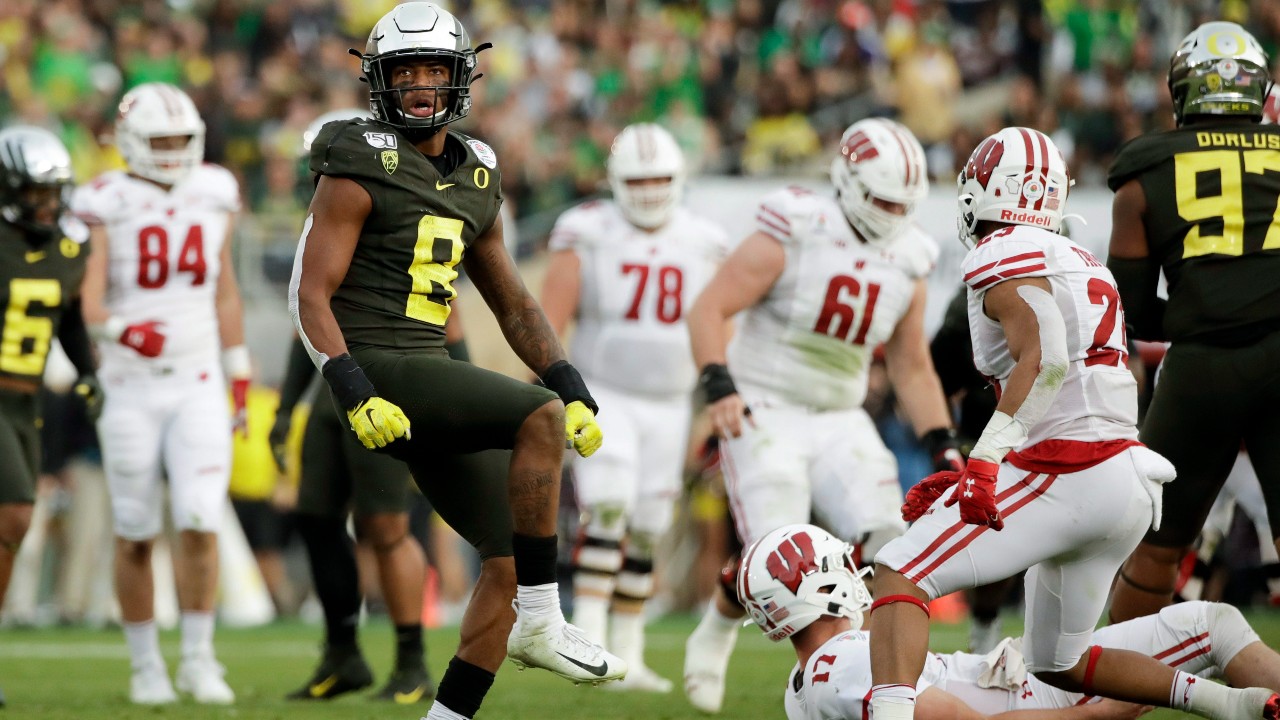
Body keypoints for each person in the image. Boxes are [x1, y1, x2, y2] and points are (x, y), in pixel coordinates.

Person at [865, 125, 1278, 720]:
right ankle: (1229, 703)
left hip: (1067, 470)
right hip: (1124, 476)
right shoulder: (1082, 259)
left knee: (900, 571)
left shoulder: (999, 250)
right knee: (1059, 659)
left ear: (987, 189)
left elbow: (1048, 357)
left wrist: (983, 461)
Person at [289, 4, 625, 719]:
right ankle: (543, 622)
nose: (418, 84)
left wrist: (571, 384)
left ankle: (451, 714)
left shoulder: (476, 172)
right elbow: (307, 294)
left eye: (433, 70)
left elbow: (513, 303)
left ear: (460, 79)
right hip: (378, 361)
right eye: (403, 70)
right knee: (533, 416)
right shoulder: (356, 157)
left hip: (426, 366)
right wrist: (351, 389)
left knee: (506, 560)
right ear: (379, 81)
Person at [682, 117, 962, 714]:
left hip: (840, 413)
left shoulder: (909, 256)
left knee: (891, 538)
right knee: (783, 565)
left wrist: (942, 442)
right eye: (882, 199)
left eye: (902, 203)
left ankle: (868, 680)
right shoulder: (799, 226)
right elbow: (710, 307)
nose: (892, 214)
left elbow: (912, 365)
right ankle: (718, 627)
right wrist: (719, 383)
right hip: (765, 404)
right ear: (849, 181)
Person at [73, 82, 249, 705]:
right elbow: (87, 301)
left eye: (180, 139)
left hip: (200, 377)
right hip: (129, 384)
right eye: (160, 141)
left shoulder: (215, 190)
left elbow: (224, 289)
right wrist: (122, 329)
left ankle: (199, 659)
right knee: (136, 530)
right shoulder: (104, 199)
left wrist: (241, 371)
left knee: (201, 517)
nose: (172, 152)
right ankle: (146, 665)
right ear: (128, 143)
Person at [540, 122, 729, 693]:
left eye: (660, 179)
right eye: (637, 179)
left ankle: (629, 651)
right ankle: (588, 644)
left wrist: (709, 401)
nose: (648, 191)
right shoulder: (587, 229)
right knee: (609, 505)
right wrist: (551, 391)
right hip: (604, 392)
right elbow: (550, 318)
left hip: (671, 401)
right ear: (615, 181)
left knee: (648, 525)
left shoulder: (705, 238)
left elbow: (722, 321)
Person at [738, 523, 1280, 720]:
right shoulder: (844, 663)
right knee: (1210, 626)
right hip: (1035, 696)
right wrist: (1093, 715)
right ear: (822, 586)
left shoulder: (806, 682)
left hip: (1014, 682)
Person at [1106, 21, 1280, 623]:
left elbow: (1128, 305)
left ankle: (1116, 692)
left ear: (1183, 88)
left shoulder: (1143, 171)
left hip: (1202, 366)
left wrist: (1198, 317)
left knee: (1153, 547)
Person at [275, 107, 445, 705]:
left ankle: (412, 661)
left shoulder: (394, 211)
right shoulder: (326, 213)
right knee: (316, 519)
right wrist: (283, 410)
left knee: (387, 526)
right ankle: (343, 654)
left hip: (386, 384)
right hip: (333, 393)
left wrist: (450, 397)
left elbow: (439, 320)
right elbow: (309, 314)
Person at [0, 126, 99, 708]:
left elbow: (70, 320)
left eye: (53, 192)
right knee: (13, 515)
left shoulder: (70, 246)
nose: (47, 205)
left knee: (15, 525)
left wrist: (86, 372)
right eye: (35, 193)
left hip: (26, 401)